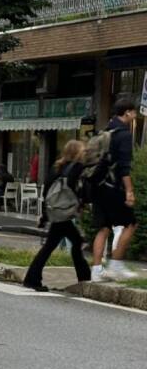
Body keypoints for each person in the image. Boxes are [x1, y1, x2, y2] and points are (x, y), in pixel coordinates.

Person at [23, 140, 91, 291]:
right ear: (77, 153)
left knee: (62, 243)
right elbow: (81, 189)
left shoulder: (57, 167)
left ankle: (33, 278)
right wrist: (84, 202)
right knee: (70, 243)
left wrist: (45, 215)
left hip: (56, 212)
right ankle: (84, 279)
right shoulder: (77, 168)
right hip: (66, 213)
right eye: (83, 150)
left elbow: (47, 191)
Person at [90, 98, 139, 282]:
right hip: (114, 188)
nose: (135, 115)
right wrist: (129, 191)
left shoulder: (105, 131)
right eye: (133, 112)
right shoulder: (124, 135)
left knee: (103, 228)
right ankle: (116, 264)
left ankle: (96, 271)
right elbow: (124, 167)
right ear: (127, 112)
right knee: (130, 224)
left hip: (98, 187)